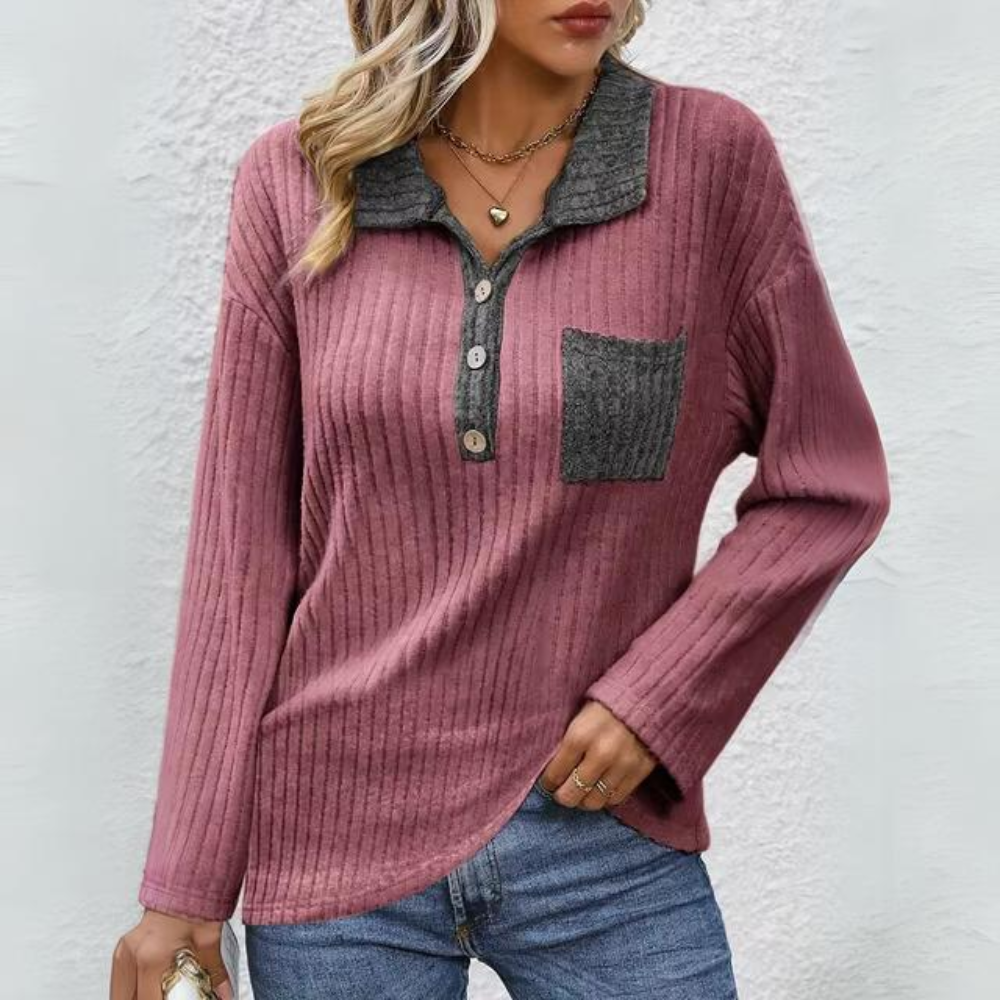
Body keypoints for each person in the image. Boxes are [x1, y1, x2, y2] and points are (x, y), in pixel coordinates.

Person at [110, 0, 892, 996]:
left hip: (599, 838)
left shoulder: (708, 164)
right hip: (335, 846)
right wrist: (183, 888)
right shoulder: (300, 178)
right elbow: (240, 556)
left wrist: (660, 698)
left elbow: (828, 484)